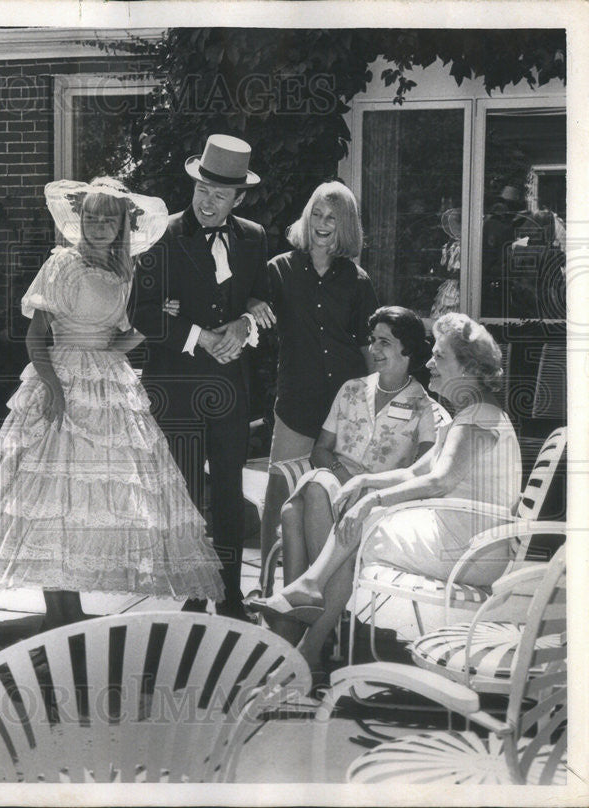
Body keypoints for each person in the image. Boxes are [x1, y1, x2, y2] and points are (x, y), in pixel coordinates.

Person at [0, 177, 224, 629]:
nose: (98, 227)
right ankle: (59, 613)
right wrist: (55, 388)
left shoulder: (126, 272)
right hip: (58, 378)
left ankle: (70, 614)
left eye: (108, 219)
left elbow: (118, 342)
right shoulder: (63, 263)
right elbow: (36, 335)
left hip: (106, 383)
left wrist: (149, 324)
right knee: (49, 500)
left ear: (122, 225)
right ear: (79, 221)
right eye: (91, 218)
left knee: (89, 503)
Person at [246, 313, 521, 670]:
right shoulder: (469, 414)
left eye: (439, 356)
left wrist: (373, 499)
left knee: (362, 522)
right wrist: (365, 482)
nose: (429, 363)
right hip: (467, 537)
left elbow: (439, 482)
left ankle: (310, 623)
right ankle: (311, 632)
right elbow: (415, 472)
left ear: (466, 366)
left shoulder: (476, 417)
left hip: (472, 548)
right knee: (358, 515)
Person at [131, 134, 266, 620]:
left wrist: (244, 324)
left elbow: (260, 301)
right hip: (177, 388)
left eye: (220, 195)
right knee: (185, 492)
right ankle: (191, 591)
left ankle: (230, 595)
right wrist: (198, 335)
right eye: (202, 190)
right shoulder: (161, 235)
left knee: (229, 492)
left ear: (239, 198)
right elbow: (142, 312)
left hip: (231, 387)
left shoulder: (253, 237)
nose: (208, 203)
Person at [271, 306, 441, 643]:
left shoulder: (424, 407)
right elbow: (321, 449)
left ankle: (294, 621)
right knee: (318, 487)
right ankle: (310, 614)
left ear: (406, 348)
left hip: (376, 502)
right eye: (372, 341)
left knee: (295, 508)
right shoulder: (351, 389)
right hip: (335, 480)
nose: (374, 350)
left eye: (384, 343)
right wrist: (341, 473)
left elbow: (419, 473)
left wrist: (363, 485)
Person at [247, 181, 379, 578]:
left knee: (335, 494)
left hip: (346, 407)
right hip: (297, 401)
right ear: (308, 217)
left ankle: (322, 581)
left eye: (334, 219)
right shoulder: (279, 269)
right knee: (278, 493)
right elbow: (250, 310)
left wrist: (374, 400)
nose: (323, 224)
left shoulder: (357, 280)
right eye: (318, 214)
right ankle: (269, 585)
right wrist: (252, 303)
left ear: (347, 227)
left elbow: (367, 347)